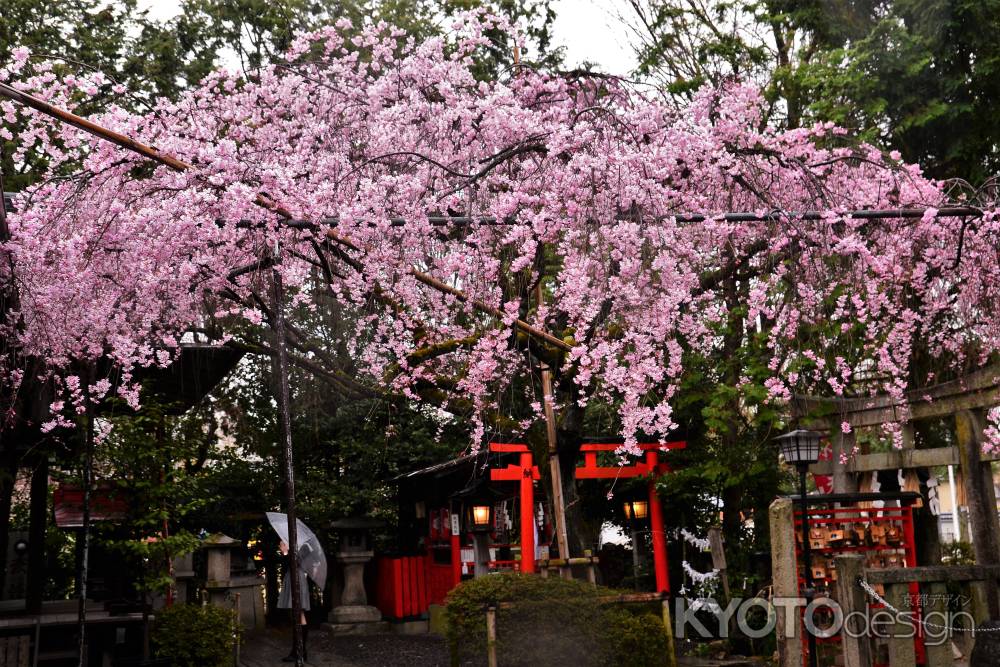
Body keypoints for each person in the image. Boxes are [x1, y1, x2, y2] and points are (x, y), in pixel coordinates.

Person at [277, 539, 310, 662]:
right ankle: (300, 651)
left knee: (299, 614)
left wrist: (285, 552)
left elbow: (291, 564)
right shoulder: (296, 546)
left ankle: (299, 651)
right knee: (298, 614)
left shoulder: (299, 547)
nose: (280, 546)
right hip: (294, 578)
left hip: (296, 580)